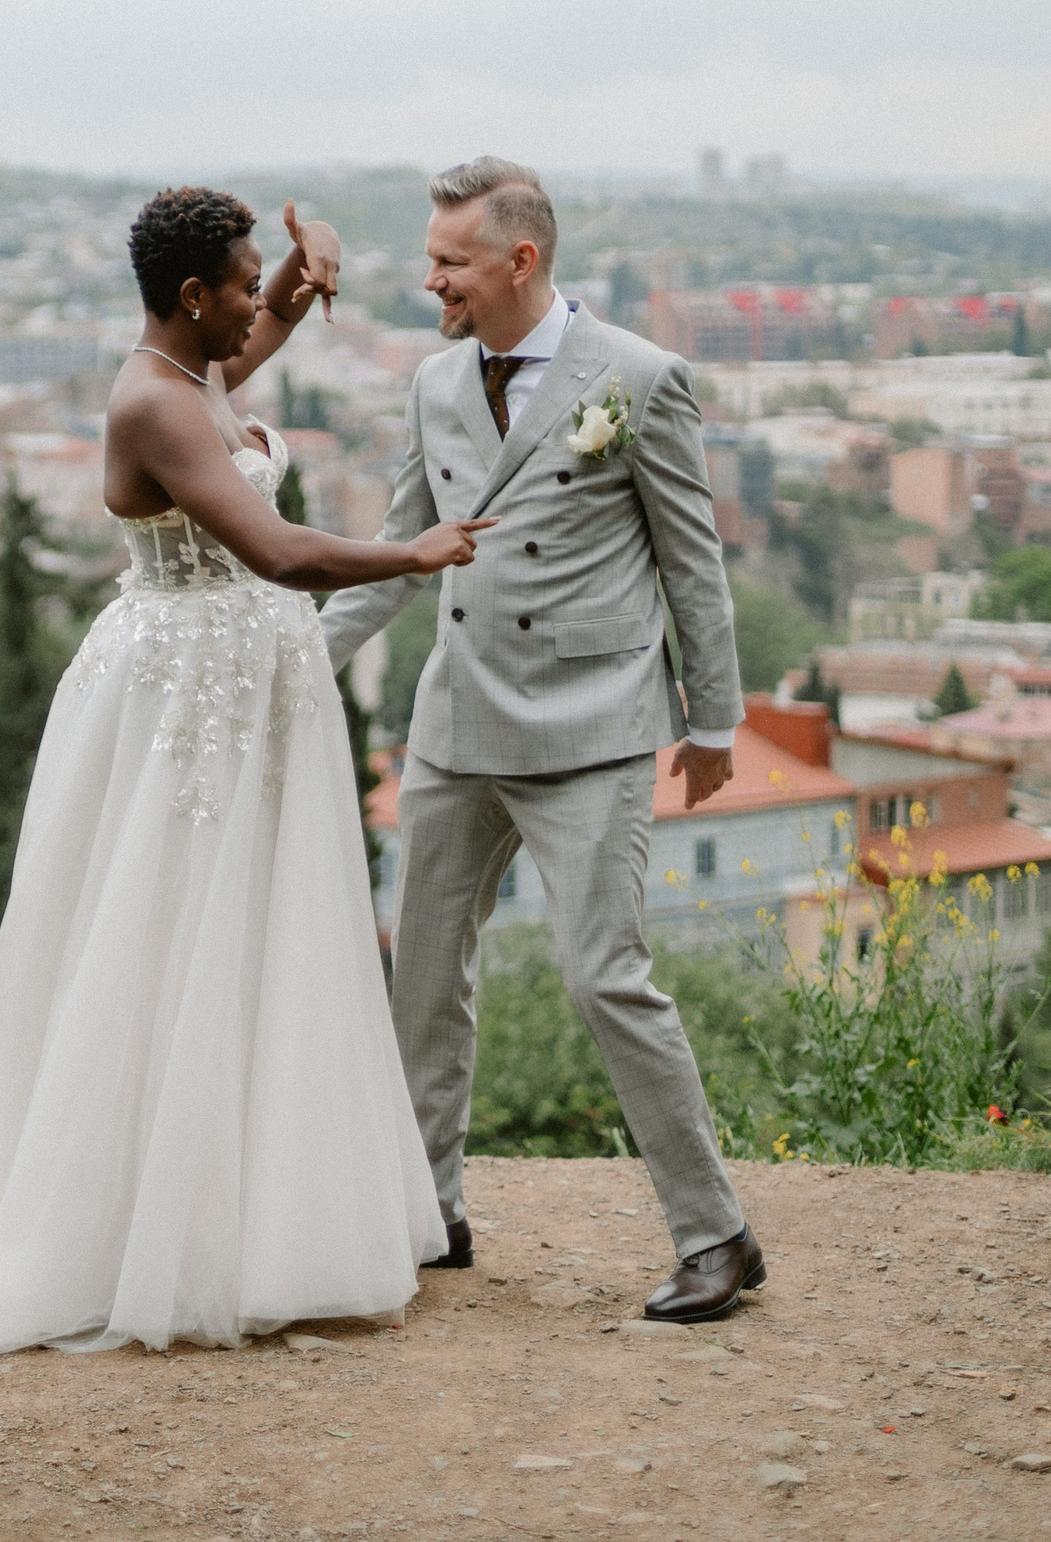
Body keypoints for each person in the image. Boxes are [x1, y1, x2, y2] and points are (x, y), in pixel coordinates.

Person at [0, 189, 492, 1363]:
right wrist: (409, 550)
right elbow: (275, 550)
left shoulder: (196, 364)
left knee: (248, 937)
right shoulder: (150, 405)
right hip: (184, 711)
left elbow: (250, 344)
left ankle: (248, 1213)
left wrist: (304, 281)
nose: (253, 305)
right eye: (242, 280)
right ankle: (137, 1230)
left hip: (236, 691)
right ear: (189, 295)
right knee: (169, 939)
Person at [316, 157, 766, 1324]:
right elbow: (399, 549)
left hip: (592, 728)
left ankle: (715, 1234)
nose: (430, 282)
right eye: (430, 260)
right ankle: (430, 1211)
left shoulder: (640, 376)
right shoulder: (428, 384)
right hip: (457, 723)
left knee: (602, 975)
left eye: (449, 262)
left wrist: (713, 719)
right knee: (421, 980)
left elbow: (691, 564)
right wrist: (292, 658)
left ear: (521, 260)